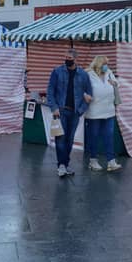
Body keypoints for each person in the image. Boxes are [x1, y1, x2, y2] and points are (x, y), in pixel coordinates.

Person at [47, 48, 92, 178]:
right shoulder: (57, 72)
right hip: (61, 110)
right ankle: (61, 165)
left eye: (69, 58)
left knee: (70, 139)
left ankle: (66, 164)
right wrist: (54, 107)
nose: (66, 60)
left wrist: (81, 111)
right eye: (65, 57)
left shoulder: (83, 75)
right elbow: (50, 90)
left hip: (75, 112)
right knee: (60, 138)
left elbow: (89, 94)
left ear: (75, 59)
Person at [84, 55, 122, 172]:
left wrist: (114, 83)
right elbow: (81, 88)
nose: (107, 66)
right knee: (94, 136)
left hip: (109, 111)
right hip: (94, 112)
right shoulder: (88, 74)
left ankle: (111, 161)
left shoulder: (109, 72)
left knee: (109, 136)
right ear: (99, 63)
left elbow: (117, 84)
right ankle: (93, 161)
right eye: (105, 63)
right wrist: (84, 95)